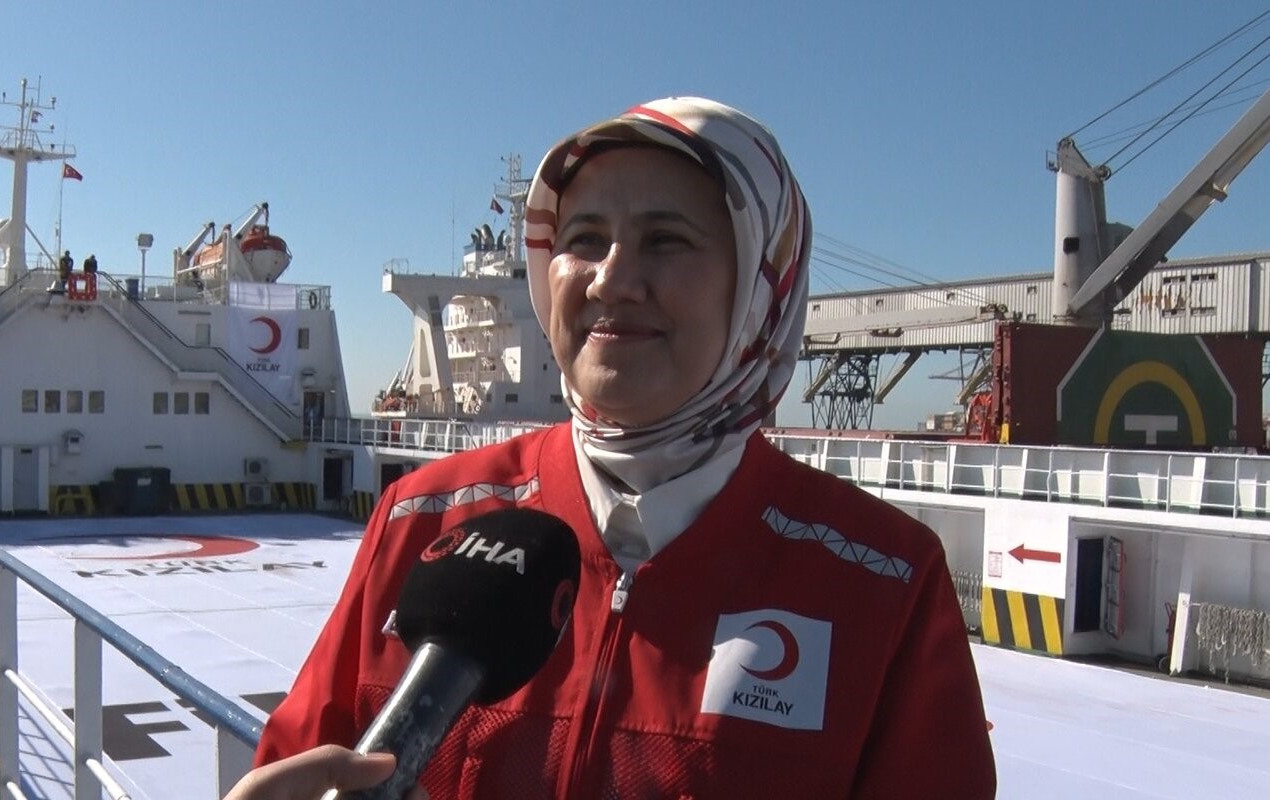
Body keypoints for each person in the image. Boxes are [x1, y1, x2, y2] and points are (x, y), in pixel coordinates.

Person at [232, 97, 996, 798]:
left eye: (666, 240)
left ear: (758, 286)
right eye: (584, 239)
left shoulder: (882, 582)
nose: (612, 279)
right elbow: (300, 756)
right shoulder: (421, 521)